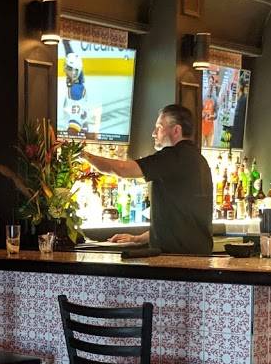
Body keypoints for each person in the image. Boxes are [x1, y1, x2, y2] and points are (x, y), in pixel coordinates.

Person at [83, 104, 213, 255]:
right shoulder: (198, 160)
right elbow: (179, 223)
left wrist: (83, 155)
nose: (153, 133)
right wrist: (137, 239)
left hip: (177, 258)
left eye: (159, 128)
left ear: (176, 130)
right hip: (197, 255)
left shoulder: (172, 157)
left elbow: (122, 169)